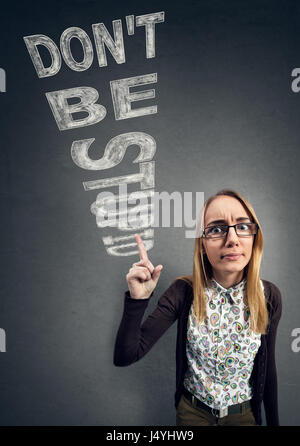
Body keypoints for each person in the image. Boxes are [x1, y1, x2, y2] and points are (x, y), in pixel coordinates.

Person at [113, 189, 282, 426]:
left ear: (254, 238)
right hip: (193, 413)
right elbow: (125, 356)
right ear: (202, 245)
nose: (232, 239)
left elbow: (269, 371)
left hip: (242, 415)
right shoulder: (183, 292)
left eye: (242, 227)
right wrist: (137, 300)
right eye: (216, 229)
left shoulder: (269, 296)